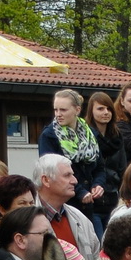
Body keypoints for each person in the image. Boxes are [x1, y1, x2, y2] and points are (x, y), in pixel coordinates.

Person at [38, 88, 111, 226]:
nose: (58, 114)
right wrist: (80, 192)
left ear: (77, 110)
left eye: (63, 110)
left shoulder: (90, 134)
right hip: (63, 204)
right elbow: (51, 173)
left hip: (90, 205)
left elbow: (100, 167)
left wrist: (98, 184)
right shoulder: (49, 136)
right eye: (56, 110)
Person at [35, 151, 100, 260]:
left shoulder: (80, 219)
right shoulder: (27, 221)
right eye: (67, 175)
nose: (75, 181)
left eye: (73, 174)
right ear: (45, 180)